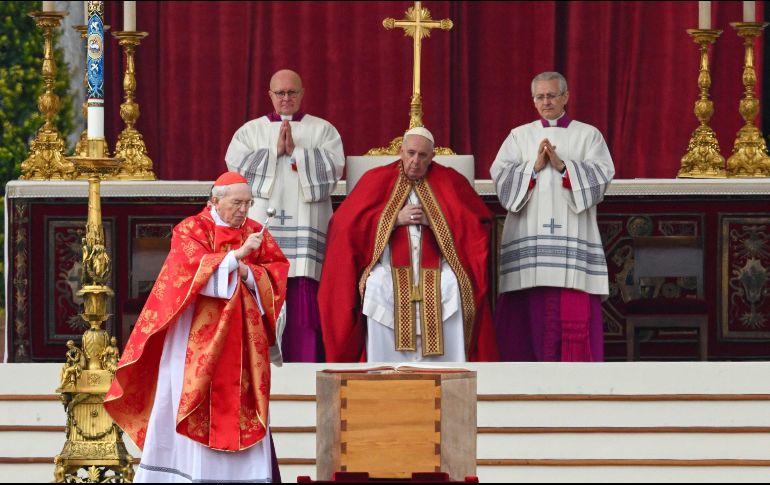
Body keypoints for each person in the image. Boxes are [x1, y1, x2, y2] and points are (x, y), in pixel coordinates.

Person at [104, 172, 289, 483]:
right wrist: (234, 258)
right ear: (215, 200)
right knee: (185, 397)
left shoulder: (257, 233)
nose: (243, 210)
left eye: (248, 203)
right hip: (193, 341)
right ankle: (185, 474)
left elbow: (275, 277)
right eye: (237, 203)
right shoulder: (191, 229)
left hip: (243, 340)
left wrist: (246, 272)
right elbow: (185, 274)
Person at [319, 127, 498, 363]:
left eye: (422, 155)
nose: (415, 161)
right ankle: (382, 369)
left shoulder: (451, 180)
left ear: (432, 156)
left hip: (440, 269)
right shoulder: (376, 179)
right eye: (410, 153)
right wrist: (392, 220)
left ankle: (449, 371)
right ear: (401, 151)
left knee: (453, 285)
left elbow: (478, 223)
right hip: (388, 268)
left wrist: (436, 221)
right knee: (376, 286)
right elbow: (345, 226)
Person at [490, 71, 615, 362]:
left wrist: (563, 166)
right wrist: (532, 168)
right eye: (540, 96)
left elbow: (601, 177)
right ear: (533, 101)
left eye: (552, 95)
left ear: (566, 97)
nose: (546, 101)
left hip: (573, 236)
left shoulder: (588, 135)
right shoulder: (519, 136)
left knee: (572, 300)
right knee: (527, 307)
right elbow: (501, 180)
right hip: (528, 238)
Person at [225, 69, 344, 363]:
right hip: (264, 228)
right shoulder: (250, 132)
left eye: (292, 92)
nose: (286, 98)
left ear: (302, 94)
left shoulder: (323, 130)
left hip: (306, 232)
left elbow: (333, 171)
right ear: (270, 96)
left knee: (303, 303)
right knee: (261, 290)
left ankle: (304, 366)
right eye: (280, 93)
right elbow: (235, 174)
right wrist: (274, 151)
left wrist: (298, 154)